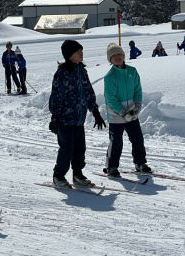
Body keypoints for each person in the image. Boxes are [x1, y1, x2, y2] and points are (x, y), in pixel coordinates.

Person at [49, 40, 106, 188]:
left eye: (82, 51)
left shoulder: (82, 70)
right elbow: (57, 96)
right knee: (67, 148)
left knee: (80, 147)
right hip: (64, 119)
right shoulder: (63, 73)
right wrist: (55, 117)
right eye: (77, 52)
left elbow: (88, 92)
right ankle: (58, 176)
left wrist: (95, 111)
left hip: (79, 119)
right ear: (69, 55)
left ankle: (77, 174)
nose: (81, 54)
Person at [103, 43, 151, 178]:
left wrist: (137, 107)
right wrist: (123, 112)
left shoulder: (132, 71)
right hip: (116, 114)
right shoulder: (110, 76)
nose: (118, 57)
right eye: (114, 56)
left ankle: (140, 163)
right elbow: (110, 99)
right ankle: (111, 167)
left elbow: (137, 91)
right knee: (116, 141)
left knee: (137, 139)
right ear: (110, 59)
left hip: (132, 112)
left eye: (120, 55)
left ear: (124, 56)